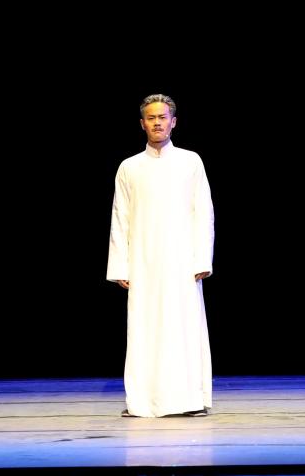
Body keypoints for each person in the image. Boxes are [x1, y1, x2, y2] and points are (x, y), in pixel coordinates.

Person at [106, 94, 215, 418]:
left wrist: (202, 258)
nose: (157, 123)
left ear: (173, 122)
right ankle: (142, 402)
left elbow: (203, 211)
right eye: (151, 118)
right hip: (143, 261)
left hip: (182, 261)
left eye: (163, 117)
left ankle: (189, 400)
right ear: (142, 124)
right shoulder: (129, 167)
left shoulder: (190, 161)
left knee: (184, 328)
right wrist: (120, 265)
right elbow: (121, 216)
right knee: (144, 329)